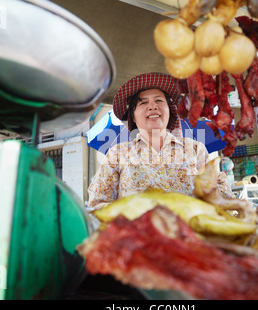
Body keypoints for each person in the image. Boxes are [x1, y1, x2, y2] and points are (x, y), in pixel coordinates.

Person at [87, 72, 234, 210]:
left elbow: (223, 193)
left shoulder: (195, 150)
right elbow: (96, 203)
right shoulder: (117, 154)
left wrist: (208, 194)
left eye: (159, 100)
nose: (153, 106)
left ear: (170, 111)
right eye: (143, 103)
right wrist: (130, 211)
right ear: (133, 116)